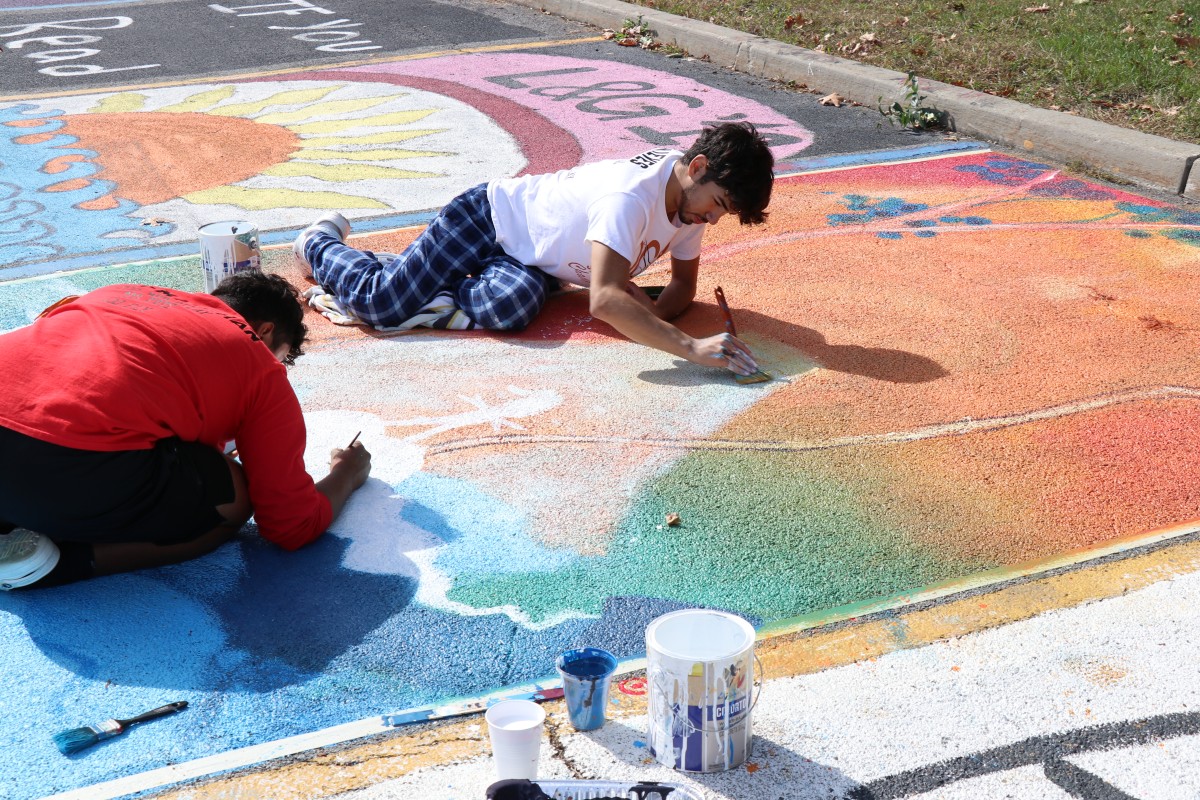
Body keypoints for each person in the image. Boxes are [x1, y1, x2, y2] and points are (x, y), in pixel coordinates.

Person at [294, 122, 774, 377]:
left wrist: (647, 318)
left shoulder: (687, 201)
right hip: (487, 219)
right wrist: (688, 347)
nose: (712, 220)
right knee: (383, 305)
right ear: (698, 167)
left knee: (510, 307)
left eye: (722, 215)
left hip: (535, 260)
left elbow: (681, 286)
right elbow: (605, 301)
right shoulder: (629, 198)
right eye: (718, 205)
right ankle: (319, 242)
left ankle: (432, 276)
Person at [0, 272, 372, 590]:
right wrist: (346, 473)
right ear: (264, 332)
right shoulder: (257, 361)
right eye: (281, 356)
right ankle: (55, 566)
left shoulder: (116, 293)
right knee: (232, 493)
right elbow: (291, 525)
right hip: (54, 467)